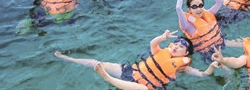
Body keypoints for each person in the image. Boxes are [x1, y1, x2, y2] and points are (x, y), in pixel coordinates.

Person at [54, 30, 219, 90]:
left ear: (186, 53)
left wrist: (212, 66)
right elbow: (153, 44)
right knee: (98, 63)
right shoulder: (162, 51)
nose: (176, 46)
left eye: (181, 46)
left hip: (144, 86)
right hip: (132, 71)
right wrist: (162, 38)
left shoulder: (183, 67)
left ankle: (107, 78)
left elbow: (203, 74)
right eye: (175, 43)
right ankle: (69, 59)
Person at [176, 0, 240, 61]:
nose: (198, 9)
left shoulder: (209, 14)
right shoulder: (187, 25)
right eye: (194, 7)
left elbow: (220, 2)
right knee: (224, 65)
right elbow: (178, 8)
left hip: (220, 42)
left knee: (243, 44)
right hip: (208, 53)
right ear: (189, 9)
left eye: (201, 5)